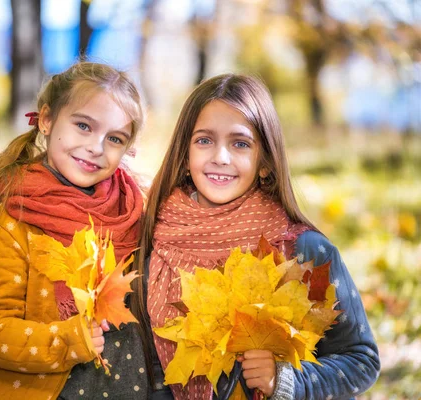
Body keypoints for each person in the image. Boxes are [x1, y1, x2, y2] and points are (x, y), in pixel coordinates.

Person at [136, 74, 380, 399]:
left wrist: (286, 381)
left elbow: (361, 361)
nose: (221, 156)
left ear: (264, 162)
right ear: (184, 155)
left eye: (240, 143)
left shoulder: (302, 250)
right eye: (204, 140)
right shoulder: (153, 245)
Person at [0, 61, 150, 399]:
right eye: (83, 126)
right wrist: (66, 340)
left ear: (127, 149)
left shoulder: (134, 208)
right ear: (47, 119)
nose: (96, 147)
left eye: (115, 138)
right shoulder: (17, 215)